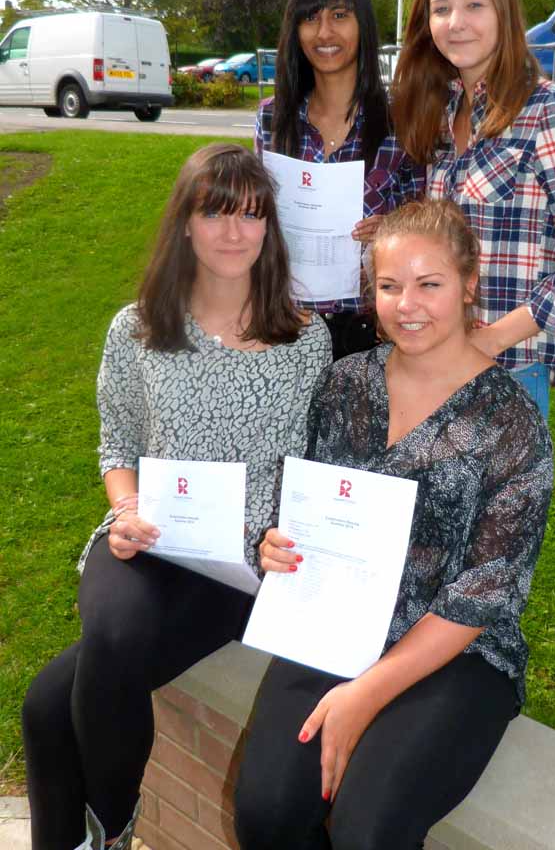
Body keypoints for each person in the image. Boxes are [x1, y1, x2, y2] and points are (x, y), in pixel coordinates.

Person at [21, 144, 331, 850]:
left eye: (252, 215)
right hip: (145, 541)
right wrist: (126, 511)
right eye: (215, 211)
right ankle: (114, 832)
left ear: (268, 229)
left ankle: (107, 834)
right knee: (109, 639)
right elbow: (116, 446)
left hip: (237, 567)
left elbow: (310, 467)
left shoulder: (306, 340)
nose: (233, 231)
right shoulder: (136, 330)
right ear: (185, 224)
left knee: (47, 706)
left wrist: (277, 537)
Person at [234, 198, 554, 850]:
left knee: (367, 829)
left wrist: (365, 695)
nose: (407, 304)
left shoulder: (512, 423)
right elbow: (299, 499)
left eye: (429, 284)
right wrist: (271, 541)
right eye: (389, 286)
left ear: (469, 283)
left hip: (457, 651)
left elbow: (486, 592)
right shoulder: (345, 386)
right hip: (333, 622)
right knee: (264, 812)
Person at [391, 0, 555, 417]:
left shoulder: (548, 111)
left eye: (475, 4)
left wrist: (493, 339)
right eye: (442, 9)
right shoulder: (444, 111)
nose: (457, 22)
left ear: (505, 12)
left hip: (507, 371)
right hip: (434, 363)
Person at [256, 0, 424, 360]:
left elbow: (426, 218)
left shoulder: (402, 121)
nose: (324, 33)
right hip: (288, 323)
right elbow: (257, 215)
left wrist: (393, 229)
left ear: (362, 26)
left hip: (374, 331)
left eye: (339, 16)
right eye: (310, 18)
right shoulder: (271, 119)